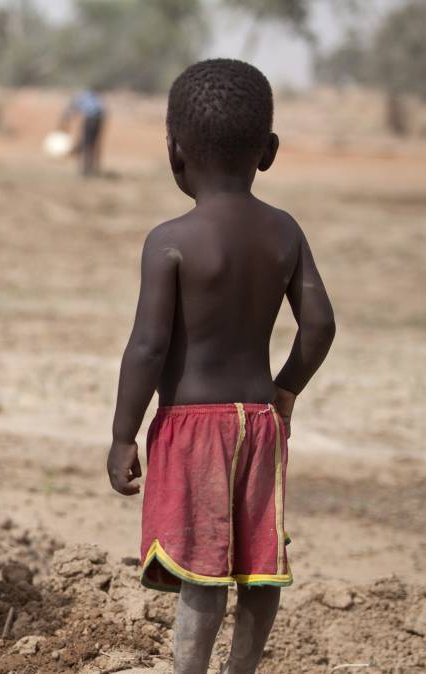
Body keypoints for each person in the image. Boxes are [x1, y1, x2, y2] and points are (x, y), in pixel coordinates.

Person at [105, 59, 336, 674]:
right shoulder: (285, 232)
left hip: (192, 428)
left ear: (175, 152)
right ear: (269, 151)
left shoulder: (170, 240)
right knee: (261, 562)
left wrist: (123, 433)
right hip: (260, 421)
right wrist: (286, 390)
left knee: (204, 567)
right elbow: (320, 326)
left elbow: (148, 347)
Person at [58, 88, 106, 176]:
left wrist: (64, 122)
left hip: (90, 121)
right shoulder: (94, 97)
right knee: (93, 145)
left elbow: (69, 111)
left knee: (85, 145)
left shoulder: (81, 97)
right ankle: (92, 169)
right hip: (99, 121)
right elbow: (103, 111)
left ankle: (85, 170)